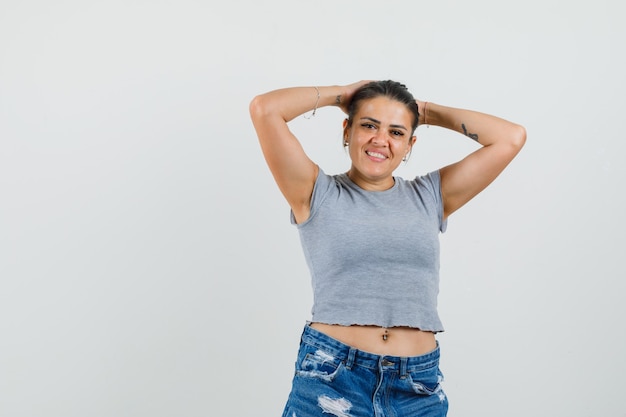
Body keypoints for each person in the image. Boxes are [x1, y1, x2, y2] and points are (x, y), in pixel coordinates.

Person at [249, 80, 526, 417]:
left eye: (396, 132)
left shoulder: (430, 195)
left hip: (416, 387)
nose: (380, 140)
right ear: (347, 130)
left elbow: (511, 137)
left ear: (410, 144)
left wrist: (423, 111)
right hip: (332, 378)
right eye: (368, 125)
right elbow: (265, 109)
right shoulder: (314, 191)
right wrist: (344, 94)